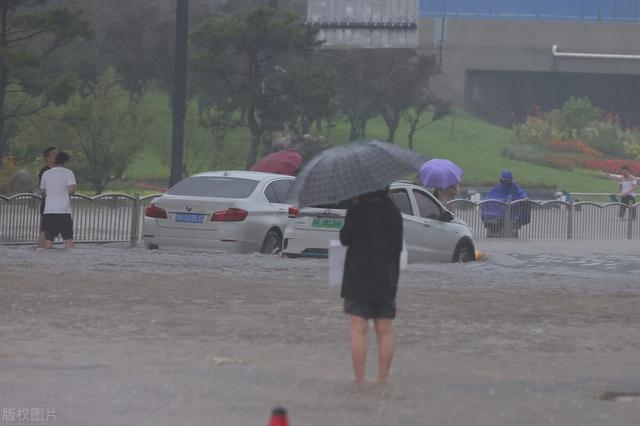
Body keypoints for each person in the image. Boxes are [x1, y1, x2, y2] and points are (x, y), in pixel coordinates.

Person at [339, 188, 403, 384]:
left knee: (359, 330)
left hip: (358, 277)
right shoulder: (394, 212)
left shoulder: (357, 210)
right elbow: (398, 246)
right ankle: (382, 382)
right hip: (386, 278)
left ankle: (359, 381)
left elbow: (344, 239)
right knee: (385, 330)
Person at [40, 152, 77, 249]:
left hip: (49, 210)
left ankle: (47, 261)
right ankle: (69, 261)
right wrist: (66, 194)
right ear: (66, 161)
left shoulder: (46, 173)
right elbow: (72, 189)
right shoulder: (68, 172)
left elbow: (43, 191)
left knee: (49, 238)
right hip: (63, 210)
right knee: (68, 238)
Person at [480, 169, 530, 237]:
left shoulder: (514, 186)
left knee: (511, 229)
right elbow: (490, 195)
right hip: (497, 214)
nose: (505, 182)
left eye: (507, 180)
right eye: (503, 180)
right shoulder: (499, 187)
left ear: (511, 180)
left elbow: (521, 192)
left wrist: (524, 197)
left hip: (510, 212)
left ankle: (509, 232)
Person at [36, 146, 58, 248]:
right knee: (45, 228)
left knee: (52, 229)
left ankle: (47, 248)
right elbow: (44, 190)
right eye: (53, 154)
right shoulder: (45, 171)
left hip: (57, 205)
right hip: (48, 204)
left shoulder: (59, 171)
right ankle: (41, 248)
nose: (56, 155)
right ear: (47, 158)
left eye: (56, 153)